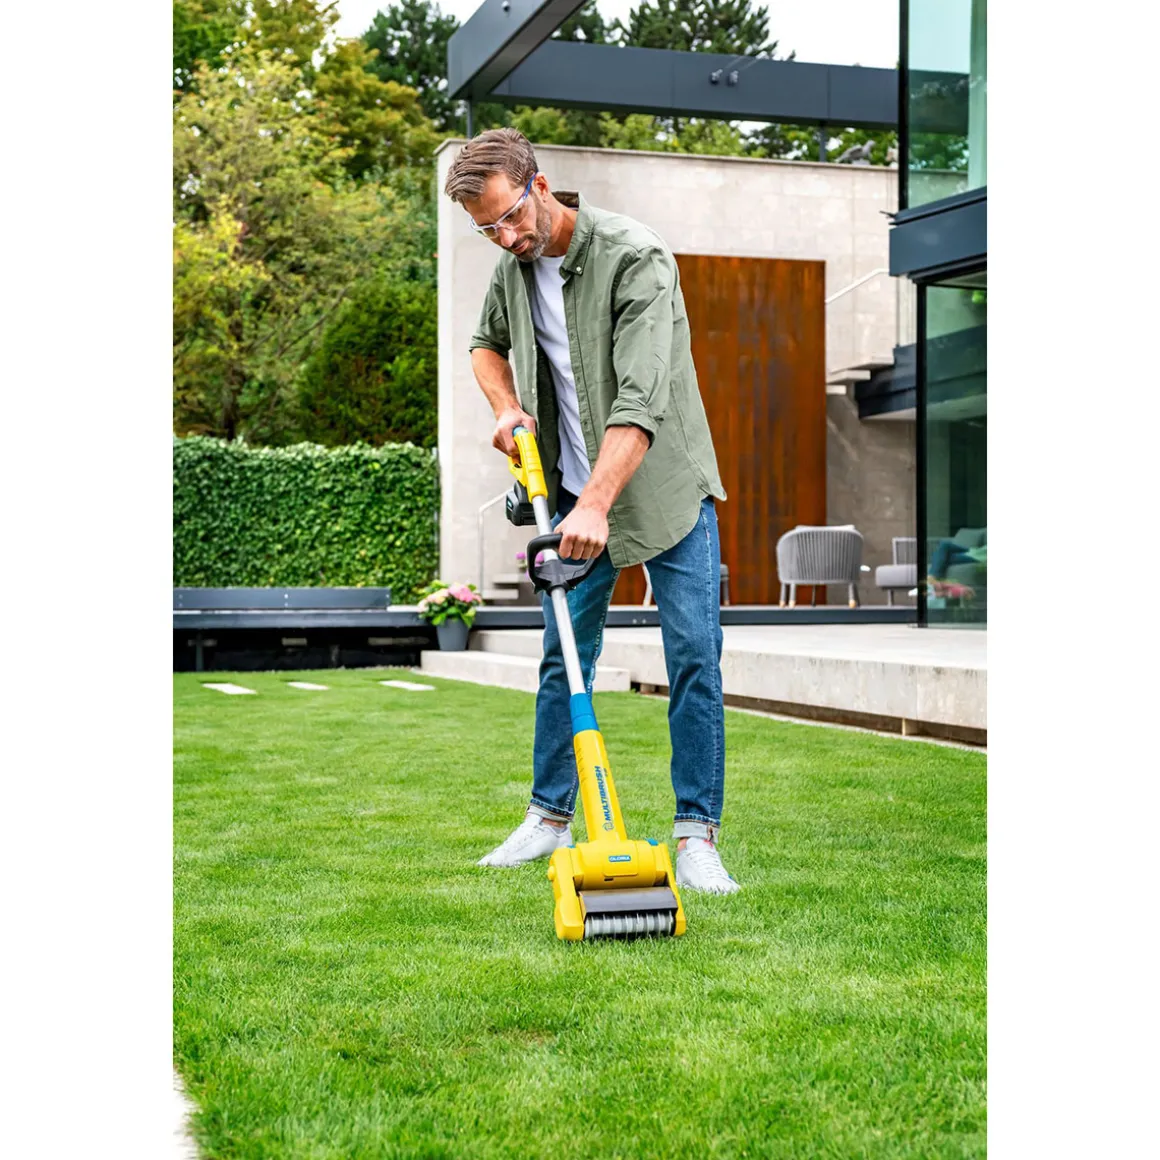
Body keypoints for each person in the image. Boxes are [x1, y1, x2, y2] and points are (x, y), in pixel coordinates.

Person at [444, 128, 739, 894]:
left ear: (540, 186)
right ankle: (549, 819)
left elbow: (641, 399)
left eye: (511, 216)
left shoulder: (636, 256)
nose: (506, 237)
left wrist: (598, 506)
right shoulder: (512, 267)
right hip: (574, 494)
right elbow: (484, 344)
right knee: (562, 656)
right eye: (487, 228)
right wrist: (507, 408)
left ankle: (696, 835)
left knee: (693, 654)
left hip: (664, 491)